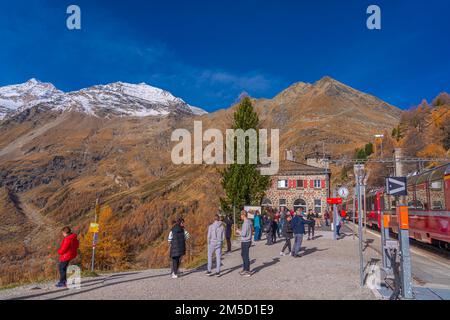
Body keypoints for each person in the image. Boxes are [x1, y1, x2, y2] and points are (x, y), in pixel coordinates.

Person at [236, 210, 252, 276]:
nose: (240, 217)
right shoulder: (249, 221)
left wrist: (238, 231)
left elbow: (244, 234)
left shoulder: (245, 223)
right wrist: (241, 230)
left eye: (241, 215)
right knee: (243, 255)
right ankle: (245, 269)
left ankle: (247, 271)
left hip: (245, 241)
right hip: (248, 240)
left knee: (245, 256)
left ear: (243, 215)